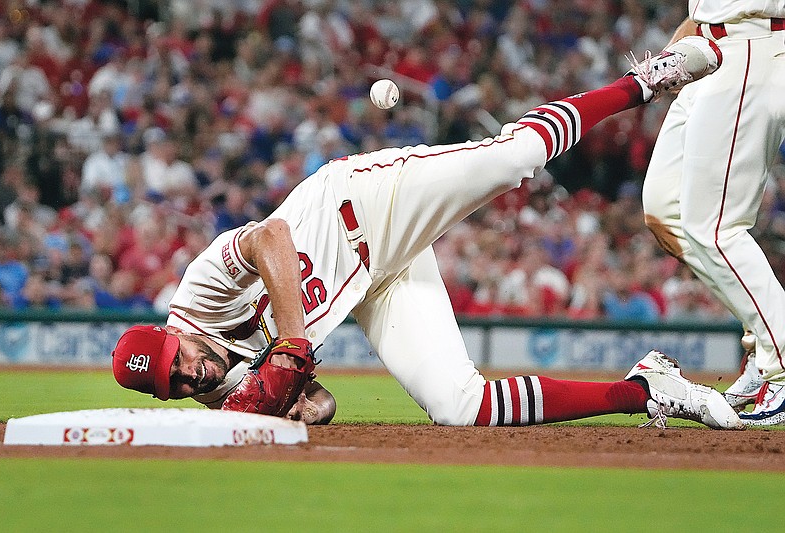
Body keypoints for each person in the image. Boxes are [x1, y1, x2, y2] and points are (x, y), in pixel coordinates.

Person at [112, 37, 742, 430]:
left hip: (361, 204)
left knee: (510, 160)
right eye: (177, 385)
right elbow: (322, 405)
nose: (191, 376)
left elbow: (271, 238)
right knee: (458, 407)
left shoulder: (198, 296)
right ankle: (645, 390)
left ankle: (647, 80)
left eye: (180, 361)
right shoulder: (217, 389)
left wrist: (292, 349)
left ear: (173, 337)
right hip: (376, 283)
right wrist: (296, 398)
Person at [639, 8, 785, 426]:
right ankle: (766, 339)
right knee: (665, 209)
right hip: (707, 50)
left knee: (716, 228)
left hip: (754, 47)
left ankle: (781, 361)